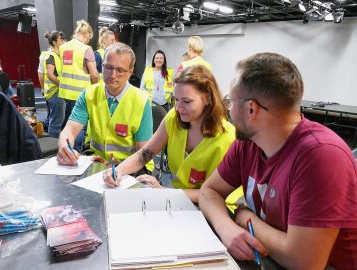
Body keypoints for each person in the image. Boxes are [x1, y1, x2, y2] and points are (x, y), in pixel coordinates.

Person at [199, 52, 357, 269]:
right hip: (272, 258)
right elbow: (209, 191)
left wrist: (245, 217)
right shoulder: (248, 142)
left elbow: (304, 262)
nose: (229, 110)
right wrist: (226, 227)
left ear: (251, 109)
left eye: (230, 101)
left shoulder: (321, 156)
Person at [103, 65, 237, 204]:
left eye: (186, 101)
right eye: (176, 100)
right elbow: (145, 154)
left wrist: (164, 191)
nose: (178, 107)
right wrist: (118, 171)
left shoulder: (227, 138)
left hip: (214, 207)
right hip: (179, 200)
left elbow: (212, 194)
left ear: (208, 98)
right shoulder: (174, 117)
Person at [57, 42, 154, 173]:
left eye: (120, 70)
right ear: (102, 66)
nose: (112, 75)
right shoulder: (89, 94)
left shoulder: (141, 101)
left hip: (131, 166)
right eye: (108, 67)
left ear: (130, 72)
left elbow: (143, 153)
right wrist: (64, 147)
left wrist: (116, 169)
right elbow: (69, 130)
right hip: (98, 161)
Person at [59, 19, 99, 128]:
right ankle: (75, 146)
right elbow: (94, 75)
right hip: (80, 93)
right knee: (79, 127)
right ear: (87, 35)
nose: (88, 42)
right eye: (89, 39)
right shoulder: (86, 49)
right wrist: (95, 90)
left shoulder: (63, 47)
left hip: (65, 92)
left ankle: (64, 143)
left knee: (67, 122)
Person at [42, 31, 66, 138]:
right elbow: (50, 74)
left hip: (56, 93)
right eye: (61, 39)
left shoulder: (58, 55)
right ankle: (54, 147)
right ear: (55, 42)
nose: (64, 41)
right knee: (56, 123)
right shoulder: (51, 55)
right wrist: (62, 85)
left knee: (54, 120)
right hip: (55, 92)